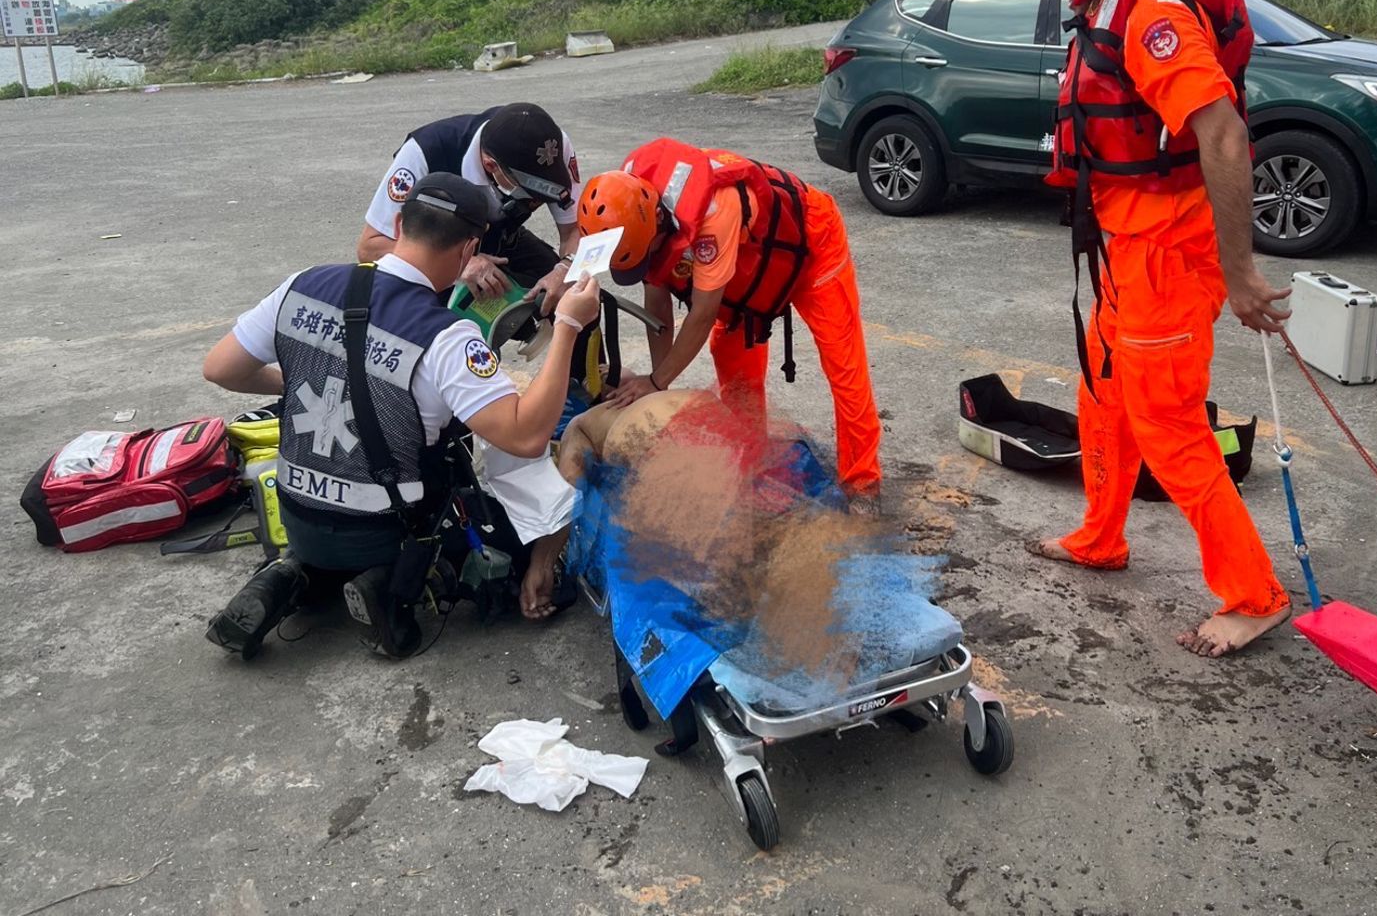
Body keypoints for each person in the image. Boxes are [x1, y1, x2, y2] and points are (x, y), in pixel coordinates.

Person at [1010, 0, 1293, 658]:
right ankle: (1101, 535)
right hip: (1127, 249)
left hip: (1170, 252)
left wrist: (1240, 274)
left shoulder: (1149, 13)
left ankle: (1254, 594)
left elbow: (1224, 134)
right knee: (1102, 389)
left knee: (1170, 430)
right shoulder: (1109, 0)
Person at [203, 172, 600, 658]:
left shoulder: (303, 284)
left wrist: (298, 382)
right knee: (512, 533)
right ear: (468, 248)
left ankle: (298, 573)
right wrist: (568, 325)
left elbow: (220, 367)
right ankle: (391, 586)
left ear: (398, 222)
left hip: (297, 512)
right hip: (383, 529)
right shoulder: (445, 335)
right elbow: (525, 436)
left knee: (334, 524)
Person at [574, 139, 882, 512]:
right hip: (747, 264)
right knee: (735, 368)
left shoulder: (712, 213)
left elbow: (702, 313)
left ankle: (863, 482)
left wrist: (655, 383)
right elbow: (657, 301)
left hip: (812, 241)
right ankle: (752, 463)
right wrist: (658, 386)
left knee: (843, 362)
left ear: (655, 222)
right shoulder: (630, 212)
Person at [358, 102, 582, 309]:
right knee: (464, 328)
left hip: (501, 238)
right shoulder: (424, 153)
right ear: (491, 165)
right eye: (530, 190)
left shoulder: (551, 148)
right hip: (437, 252)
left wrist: (566, 269)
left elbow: (575, 230)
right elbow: (369, 248)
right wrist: (460, 265)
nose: (535, 199)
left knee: (576, 298)